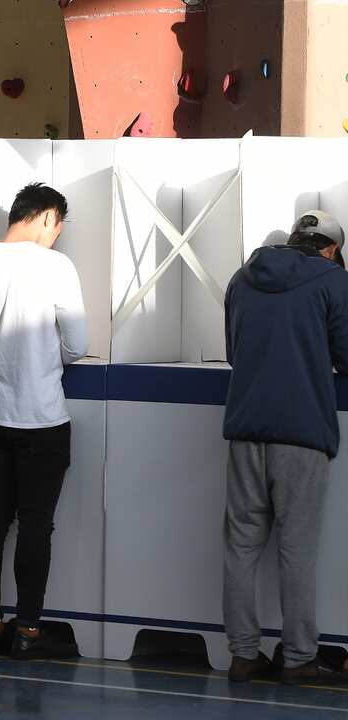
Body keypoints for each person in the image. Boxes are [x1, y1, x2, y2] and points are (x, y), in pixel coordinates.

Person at [0, 183, 86, 659]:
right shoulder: (56, 267)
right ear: (48, 216)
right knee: (35, 525)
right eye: (59, 227)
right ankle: (28, 631)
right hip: (42, 415)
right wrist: (44, 355)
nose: (57, 236)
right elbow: (77, 344)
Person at [221, 210, 348, 685]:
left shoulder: (242, 278)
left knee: (241, 545)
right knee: (296, 548)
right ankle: (298, 658)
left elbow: (233, 353)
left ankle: (243, 655)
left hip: (246, 426)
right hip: (303, 430)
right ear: (331, 249)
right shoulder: (333, 281)